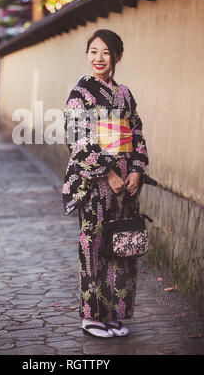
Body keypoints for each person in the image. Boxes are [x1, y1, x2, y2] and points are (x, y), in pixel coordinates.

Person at [62, 29, 149, 338]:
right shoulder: (80, 94)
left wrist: (136, 170)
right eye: (93, 51)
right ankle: (92, 317)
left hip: (126, 184)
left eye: (105, 53)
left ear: (117, 57)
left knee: (122, 247)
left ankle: (114, 315)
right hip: (96, 183)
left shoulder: (124, 94)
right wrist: (108, 173)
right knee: (95, 246)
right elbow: (77, 139)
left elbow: (136, 133)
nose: (98, 58)